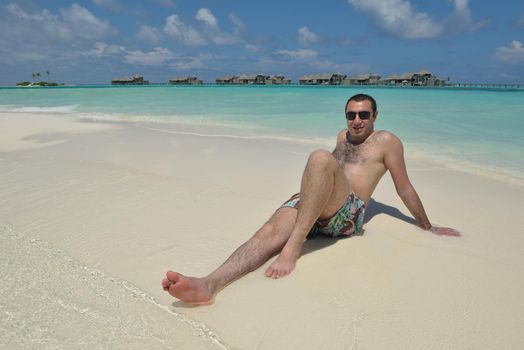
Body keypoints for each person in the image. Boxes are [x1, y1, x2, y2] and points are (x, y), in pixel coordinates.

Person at [161, 93, 460, 305]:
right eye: (351, 115)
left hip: (348, 214)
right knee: (266, 232)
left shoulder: (387, 142)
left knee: (318, 157)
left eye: (363, 115)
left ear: (375, 116)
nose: (356, 121)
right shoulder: (341, 137)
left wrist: (428, 226)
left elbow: (403, 187)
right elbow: (328, 173)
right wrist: (303, 199)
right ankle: (208, 284)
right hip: (318, 205)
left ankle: (292, 249)